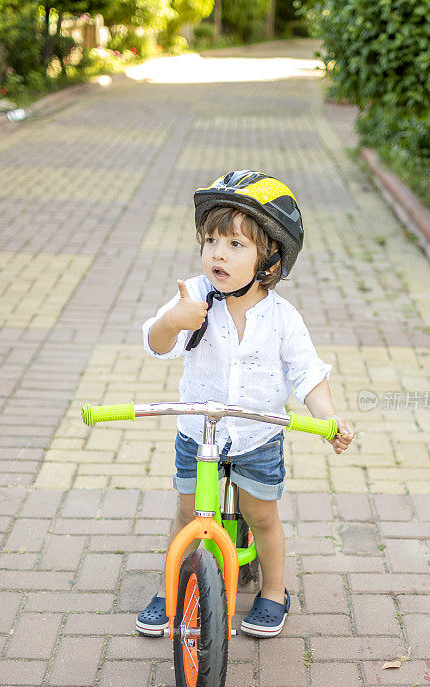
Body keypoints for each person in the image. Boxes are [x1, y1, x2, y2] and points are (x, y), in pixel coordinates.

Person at [136, 170, 354, 638]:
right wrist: (174, 321)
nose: (218, 252)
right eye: (211, 239)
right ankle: (172, 585)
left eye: (235, 245)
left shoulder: (282, 318)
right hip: (200, 433)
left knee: (263, 516)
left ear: (269, 258)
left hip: (257, 435)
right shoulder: (193, 296)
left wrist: (328, 418)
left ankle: (274, 591)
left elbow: (307, 374)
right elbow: (155, 342)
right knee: (188, 513)